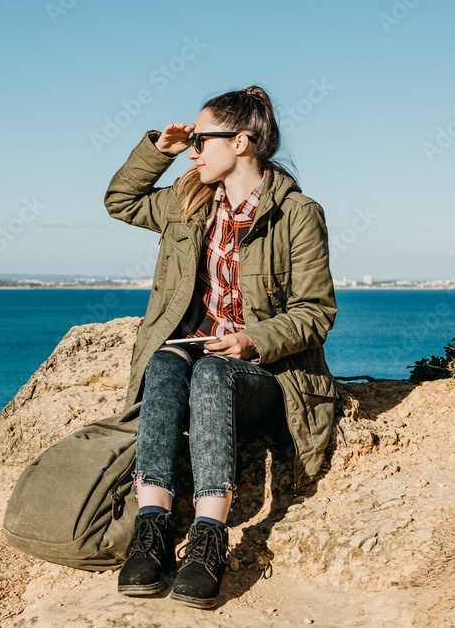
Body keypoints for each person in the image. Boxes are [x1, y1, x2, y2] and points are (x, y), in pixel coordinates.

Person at [104, 85, 337, 609]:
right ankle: (153, 527)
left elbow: (316, 310)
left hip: (266, 374)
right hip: (190, 350)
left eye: (201, 139)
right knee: (163, 362)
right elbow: (120, 200)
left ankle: (210, 536)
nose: (193, 149)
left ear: (241, 142)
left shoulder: (297, 214)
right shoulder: (188, 200)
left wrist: (253, 340)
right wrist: (157, 150)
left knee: (212, 373)